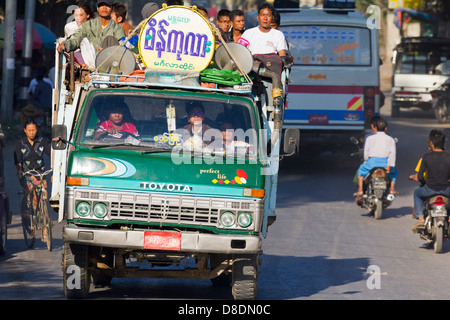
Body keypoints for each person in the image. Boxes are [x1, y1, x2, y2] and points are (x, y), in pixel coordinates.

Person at [412, 129, 450, 231]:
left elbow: (420, 177)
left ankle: (420, 219)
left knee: (417, 193)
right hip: (446, 190)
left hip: (430, 190)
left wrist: (425, 184)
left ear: (431, 143)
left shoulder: (426, 157)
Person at [57, 0, 126, 54]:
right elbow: (76, 39)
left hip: (109, 68)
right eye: (101, 5)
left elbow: (120, 52)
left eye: (107, 5)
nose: (104, 8)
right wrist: (66, 44)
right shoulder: (88, 25)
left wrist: (106, 53)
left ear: (112, 8)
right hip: (88, 66)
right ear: (97, 8)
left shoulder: (119, 30)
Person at [14, 121, 51, 219]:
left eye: (33, 130)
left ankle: (44, 221)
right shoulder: (20, 143)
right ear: (25, 131)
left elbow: (51, 153)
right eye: (29, 130)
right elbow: (17, 160)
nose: (31, 132)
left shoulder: (42, 141)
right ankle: (26, 210)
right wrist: (20, 170)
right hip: (26, 173)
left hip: (40, 174)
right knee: (28, 191)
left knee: (44, 195)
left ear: (36, 130)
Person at [354, 116, 397, 196]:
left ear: (375, 127)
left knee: (361, 170)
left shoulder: (370, 138)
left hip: (371, 163)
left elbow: (366, 152)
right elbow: (392, 153)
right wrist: (389, 166)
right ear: (385, 128)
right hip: (385, 163)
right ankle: (392, 189)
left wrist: (366, 160)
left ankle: (360, 189)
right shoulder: (390, 139)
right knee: (394, 173)